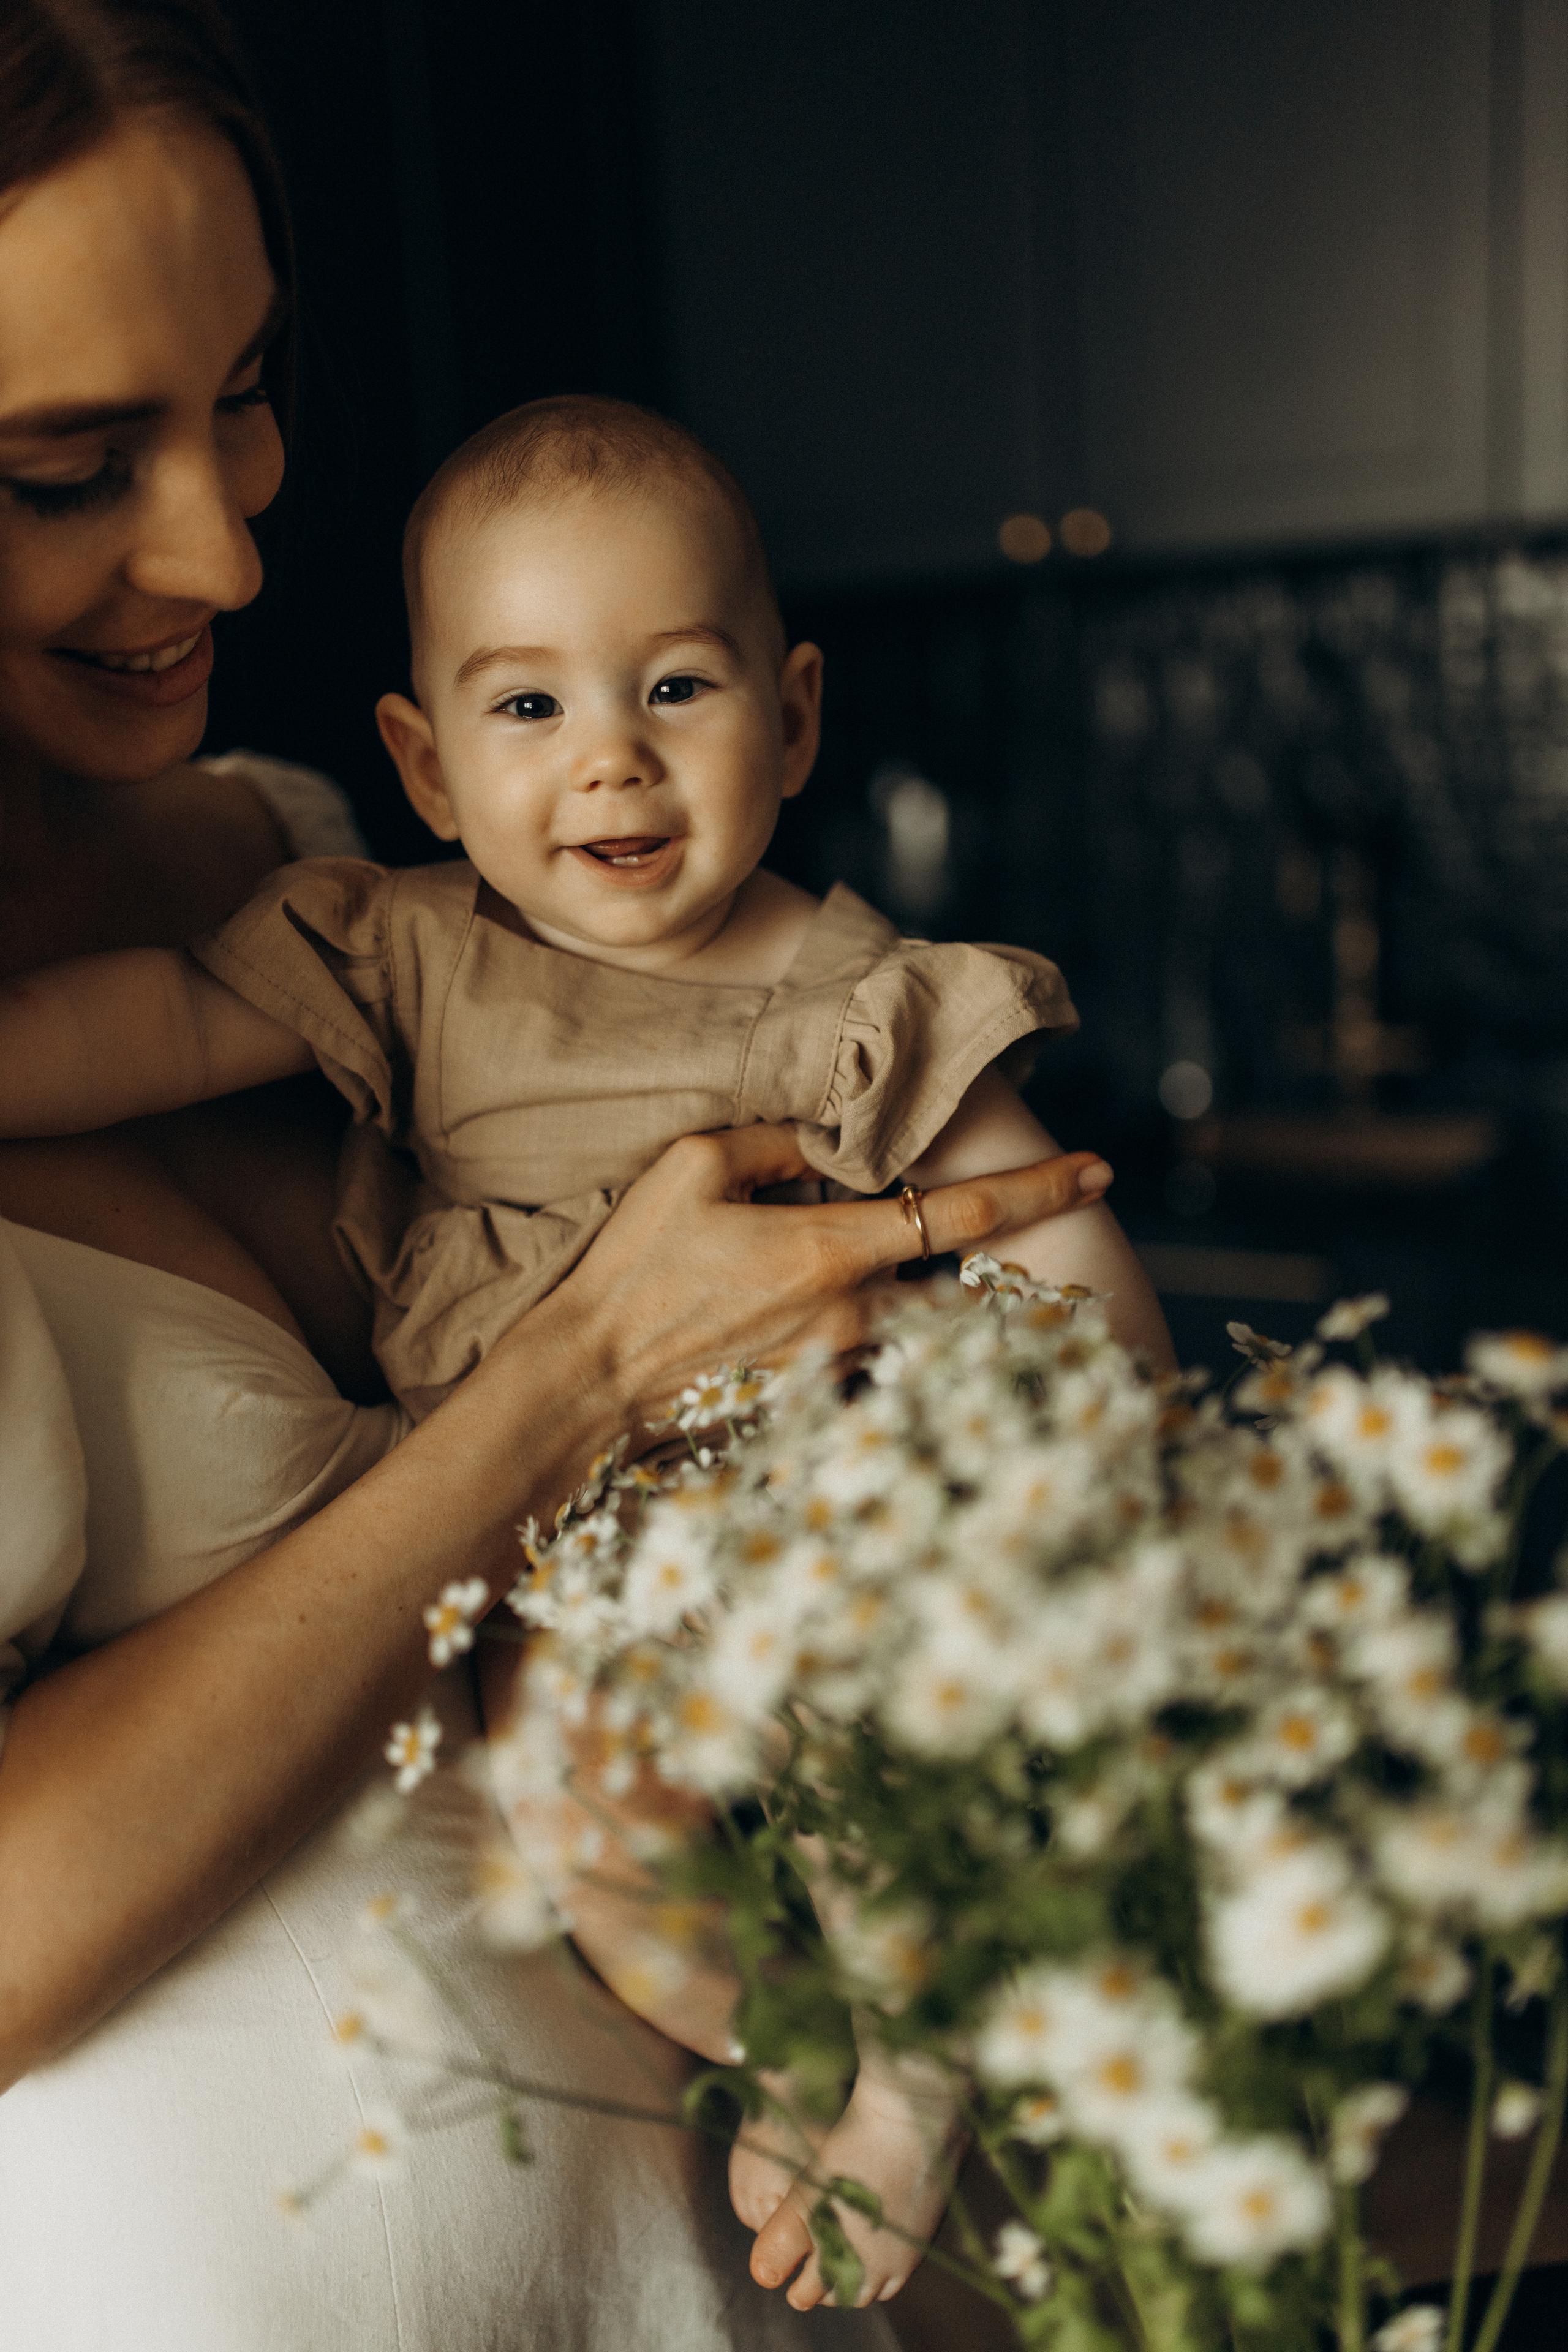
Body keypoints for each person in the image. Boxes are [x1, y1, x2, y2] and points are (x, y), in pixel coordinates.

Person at [0, 4, 1114, 2343]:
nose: (224, 534)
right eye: (67, 464)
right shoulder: (355, 954)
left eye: (245, 393)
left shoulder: (319, 859)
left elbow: (1032, 1238)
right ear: (447, 742)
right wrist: (598, 1362)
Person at [0, 393, 1172, 1415]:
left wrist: (1129, 1446)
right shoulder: (402, 953)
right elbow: (169, 1019)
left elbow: (1038, 1220)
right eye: (528, 708)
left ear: (793, 721)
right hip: (523, 1535)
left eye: (675, 687)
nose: (611, 757)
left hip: (812, 1513)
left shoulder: (866, 1007)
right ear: (428, 772)